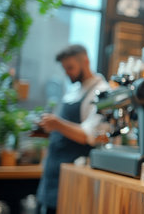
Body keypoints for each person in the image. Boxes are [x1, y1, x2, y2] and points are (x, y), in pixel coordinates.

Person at [36, 45, 109, 214]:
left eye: (70, 68)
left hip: (73, 174)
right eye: (65, 69)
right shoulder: (74, 89)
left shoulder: (101, 92)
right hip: (52, 171)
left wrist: (57, 124)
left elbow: (90, 136)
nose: (67, 73)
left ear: (85, 61)